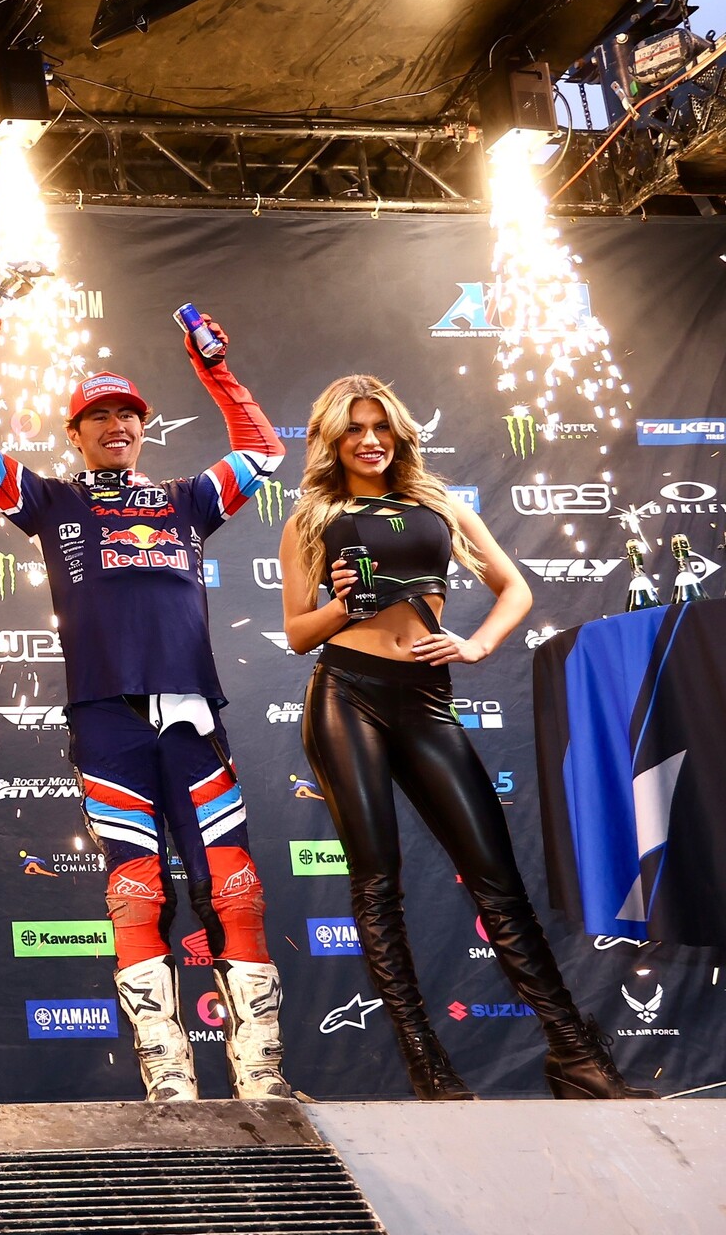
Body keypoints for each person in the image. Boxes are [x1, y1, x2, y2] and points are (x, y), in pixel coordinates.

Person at [0, 309, 293, 1102]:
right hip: (105, 715)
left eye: (128, 414)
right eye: (99, 415)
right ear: (76, 432)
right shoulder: (52, 502)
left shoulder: (185, 498)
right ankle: (167, 1073)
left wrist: (214, 373)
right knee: (135, 885)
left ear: (143, 428)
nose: (116, 425)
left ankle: (261, 1072)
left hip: (193, 711)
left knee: (233, 884)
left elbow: (265, 451)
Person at [279, 375, 653, 1101]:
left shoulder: (438, 505)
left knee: (497, 882)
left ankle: (576, 1058)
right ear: (332, 438)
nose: (369, 440)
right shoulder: (312, 518)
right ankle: (428, 1067)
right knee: (378, 884)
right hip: (345, 694)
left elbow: (514, 586)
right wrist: (341, 607)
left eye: (381, 426)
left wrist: (477, 645)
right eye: (354, 428)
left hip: (427, 701)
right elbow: (298, 631)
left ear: (399, 433)